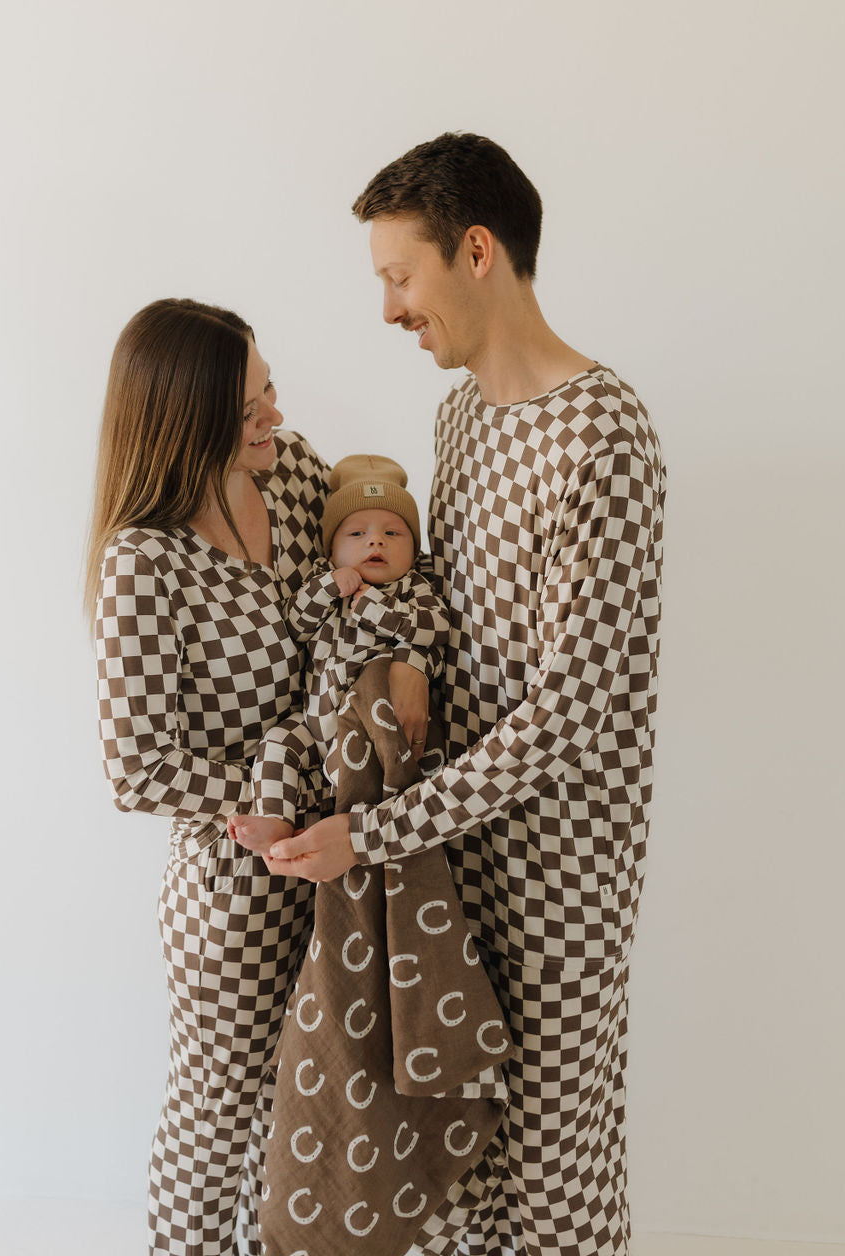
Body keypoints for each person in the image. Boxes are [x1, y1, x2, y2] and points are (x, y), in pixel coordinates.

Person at [267, 133, 667, 1256]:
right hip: (446, 861)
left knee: (552, 1172)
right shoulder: (459, 420)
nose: (389, 308)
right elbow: (448, 626)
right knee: (444, 1162)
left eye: (400, 276)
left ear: (475, 250)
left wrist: (373, 833)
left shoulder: (603, 435)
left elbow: (564, 718)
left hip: (558, 880)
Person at [87, 299, 434, 1256]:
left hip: (341, 869)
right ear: (183, 421)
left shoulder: (289, 482)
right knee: (217, 1120)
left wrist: (410, 659)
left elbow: (390, 562)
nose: (273, 417)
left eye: (269, 389)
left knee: (305, 1121)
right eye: (248, 409)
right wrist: (273, 794)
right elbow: (137, 765)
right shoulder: (143, 563)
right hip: (236, 891)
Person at [229, 452, 448, 854]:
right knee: (278, 742)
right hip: (314, 721)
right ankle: (276, 817)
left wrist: (373, 607)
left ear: (414, 554)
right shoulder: (322, 581)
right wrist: (329, 586)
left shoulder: (412, 589)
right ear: (330, 552)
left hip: (366, 726)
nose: (375, 541)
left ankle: (369, 832)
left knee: (373, 780)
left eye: (393, 534)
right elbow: (296, 624)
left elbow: (435, 630)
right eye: (356, 534)